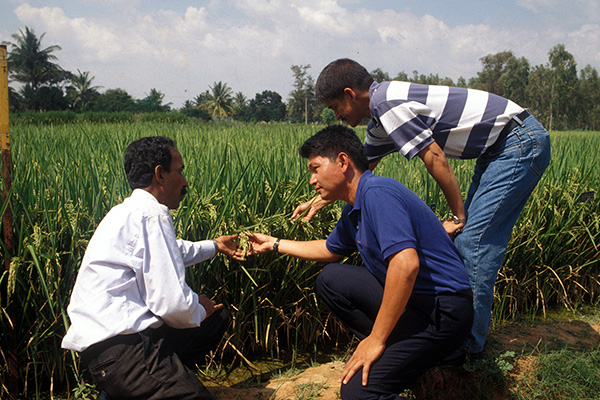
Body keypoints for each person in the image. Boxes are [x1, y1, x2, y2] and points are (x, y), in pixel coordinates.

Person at [292, 58, 551, 356]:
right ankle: (457, 337)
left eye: (336, 106)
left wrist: (458, 216)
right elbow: (357, 170)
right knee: (468, 240)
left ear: (351, 94)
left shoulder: (388, 104)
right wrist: (316, 201)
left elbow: (434, 158)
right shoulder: (380, 118)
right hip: (496, 147)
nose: (337, 115)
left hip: (517, 142)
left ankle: (467, 348)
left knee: (474, 242)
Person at [248, 125, 473, 399]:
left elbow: (406, 265)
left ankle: (417, 347)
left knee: (357, 393)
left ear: (343, 162)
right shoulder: (354, 207)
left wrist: (375, 340)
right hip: (415, 303)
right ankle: (401, 348)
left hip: (443, 309)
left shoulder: (378, 193)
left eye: (315, 168)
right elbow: (329, 249)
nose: (311, 180)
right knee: (331, 279)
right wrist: (274, 244)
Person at [62, 136, 245, 400]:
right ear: (160, 174)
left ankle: (145, 385)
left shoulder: (128, 212)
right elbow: (170, 304)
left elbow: (173, 251)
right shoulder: (152, 214)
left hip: (107, 352)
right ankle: (150, 384)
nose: (184, 182)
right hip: (125, 352)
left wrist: (216, 246)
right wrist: (198, 309)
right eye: (180, 171)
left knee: (215, 321)